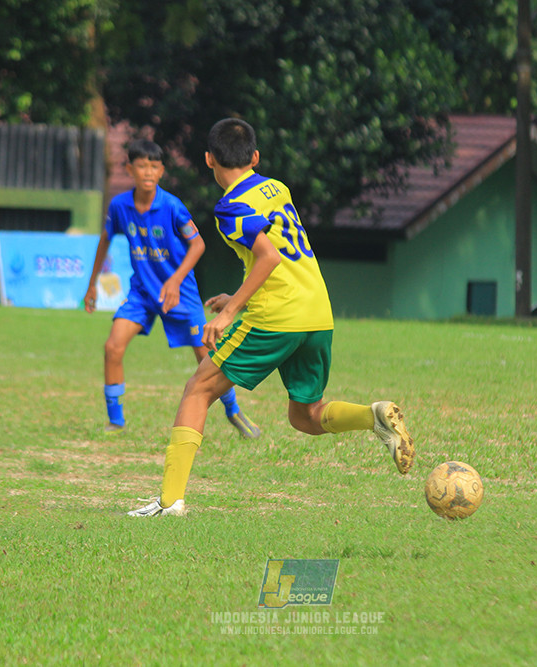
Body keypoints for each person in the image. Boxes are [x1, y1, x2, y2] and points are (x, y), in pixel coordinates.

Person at [129, 118, 414, 517]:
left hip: (276, 317)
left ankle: (169, 501)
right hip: (316, 312)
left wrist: (229, 312)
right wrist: (239, 296)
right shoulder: (275, 188)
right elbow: (273, 253)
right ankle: (374, 416)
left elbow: (268, 256)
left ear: (209, 158)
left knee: (197, 391)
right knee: (304, 415)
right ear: (256, 157)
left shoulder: (230, 207)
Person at [84, 138, 261, 439]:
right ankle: (115, 422)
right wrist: (91, 286)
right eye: (141, 166)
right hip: (142, 293)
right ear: (129, 169)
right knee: (112, 347)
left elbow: (198, 244)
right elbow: (104, 239)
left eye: (154, 166)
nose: (148, 172)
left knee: (207, 356)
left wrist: (175, 279)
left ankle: (233, 411)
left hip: (181, 294)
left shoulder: (171, 206)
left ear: (162, 170)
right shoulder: (120, 206)